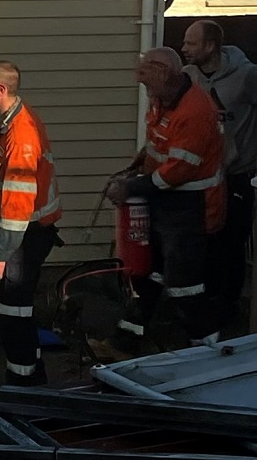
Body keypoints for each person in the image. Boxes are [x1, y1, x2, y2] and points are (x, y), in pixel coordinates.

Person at [106, 47, 226, 355]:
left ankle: (207, 350)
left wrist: (132, 187)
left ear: (163, 73)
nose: (145, 89)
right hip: (165, 202)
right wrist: (139, 161)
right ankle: (128, 338)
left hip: (192, 209)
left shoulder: (195, 111)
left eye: (147, 81)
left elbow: (179, 171)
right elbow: (158, 141)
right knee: (148, 272)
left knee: (184, 286)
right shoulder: (164, 99)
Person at [0, 61, 62, 386]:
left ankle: (23, 382)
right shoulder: (5, 121)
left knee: (12, 309)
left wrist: (0, 255)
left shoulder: (21, 133)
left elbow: (18, 201)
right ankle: (30, 371)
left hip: (24, 235)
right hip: (19, 233)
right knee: (12, 306)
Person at [182, 20, 257, 336]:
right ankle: (205, 307)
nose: (184, 49)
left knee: (230, 245)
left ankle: (228, 310)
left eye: (190, 43)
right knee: (204, 242)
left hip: (237, 175)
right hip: (202, 177)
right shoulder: (188, 78)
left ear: (210, 46)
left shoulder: (247, 76)